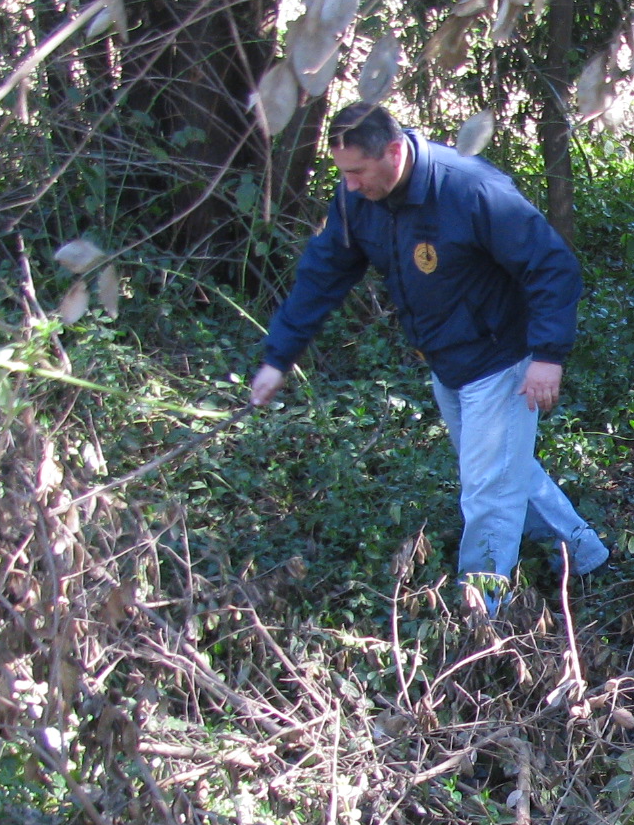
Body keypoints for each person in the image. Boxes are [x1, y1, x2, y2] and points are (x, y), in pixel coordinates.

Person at [250, 103, 608, 606]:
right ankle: (584, 555)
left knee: (487, 494)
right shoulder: (361, 199)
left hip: (502, 359)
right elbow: (323, 273)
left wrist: (548, 354)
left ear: (394, 152)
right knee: (506, 470)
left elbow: (551, 265)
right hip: (448, 362)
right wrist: (279, 356)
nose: (349, 185)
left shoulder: (468, 188)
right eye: (343, 173)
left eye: (356, 172)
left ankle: (481, 618)